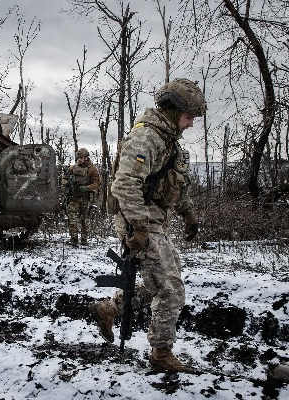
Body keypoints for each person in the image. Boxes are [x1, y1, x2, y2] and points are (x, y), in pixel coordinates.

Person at [90, 78, 204, 372]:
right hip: (139, 225)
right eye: (189, 117)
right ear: (172, 110)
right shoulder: (146, 139)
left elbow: (175, 187)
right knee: (172, 289)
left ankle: (109, 308)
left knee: (157, 284)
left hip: (155, 224)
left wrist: (188, 214)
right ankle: (161, 353)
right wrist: (139, 227)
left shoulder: (170, 144)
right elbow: (125, 184)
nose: (191, 124)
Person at [61, 148, 101, 246]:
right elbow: (63, 178)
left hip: (86, 197)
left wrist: (86, 188)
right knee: (72, 217)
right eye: (78, 158)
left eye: (81, 158)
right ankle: (73, 238)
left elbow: (97, 183)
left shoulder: (92, 169)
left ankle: (84, 239)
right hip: (74, 197)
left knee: (85, 218)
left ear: (86, 158)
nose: (79, 159)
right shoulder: (73, 168)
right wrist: (66, 183)